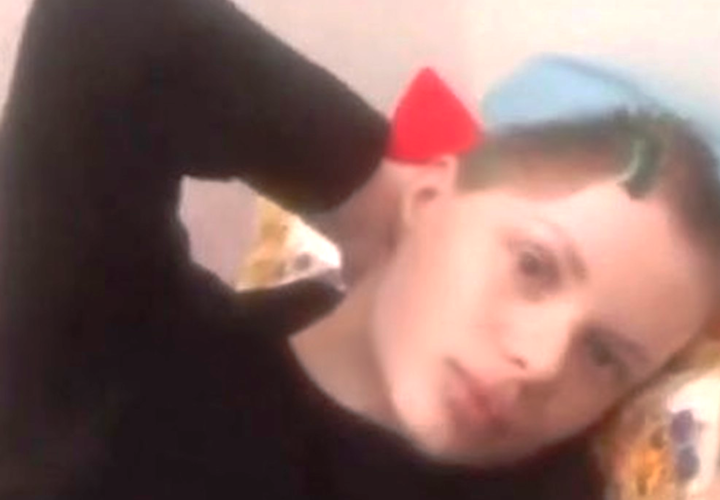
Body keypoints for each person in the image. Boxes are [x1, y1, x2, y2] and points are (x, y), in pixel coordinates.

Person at [3, 3, 719, 500]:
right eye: (533, 265)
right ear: (430, 197)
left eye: (604, 355)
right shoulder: (119, 350)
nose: (544, 361)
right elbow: (108, 32)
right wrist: (362, 186)